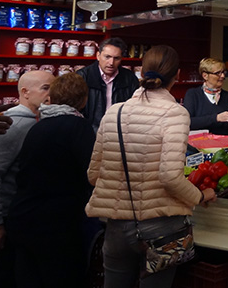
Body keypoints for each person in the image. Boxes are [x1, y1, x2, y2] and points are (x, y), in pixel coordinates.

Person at [87, 45, 216, 288]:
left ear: (141, 72)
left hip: (116, 226)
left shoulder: (115, 111)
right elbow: (169, 177)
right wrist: (199, 195)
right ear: (177, 75)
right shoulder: (175, 113)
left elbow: (94, 175)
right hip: (162, 227)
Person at [7, 72, 96, 287]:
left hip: (23, 217)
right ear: (84, 100)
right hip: (56, 225)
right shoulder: (79, 128)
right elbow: (91, 174)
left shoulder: (38, 126)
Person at [0, 70, 54, 286]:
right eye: (46, 88)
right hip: (7, 217)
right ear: (25, 92)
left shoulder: (33, 123)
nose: (51, 94)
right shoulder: (15, 126)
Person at [80, 37, 139, 131]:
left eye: (116, 58)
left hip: (119, 133)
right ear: (98, 56)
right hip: (89, 133)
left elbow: (135, 109)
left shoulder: (129, 78)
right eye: (107, 57)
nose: (111, 63)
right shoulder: (82, 77)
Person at [182, 58, 228, 135]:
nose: (222, 76)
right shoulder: (193, 94)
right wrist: (216, 118)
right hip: (199, 144)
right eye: (218, 73)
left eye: (223, 72)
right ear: (205, 76)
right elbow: (188, 122)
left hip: (225, 144)